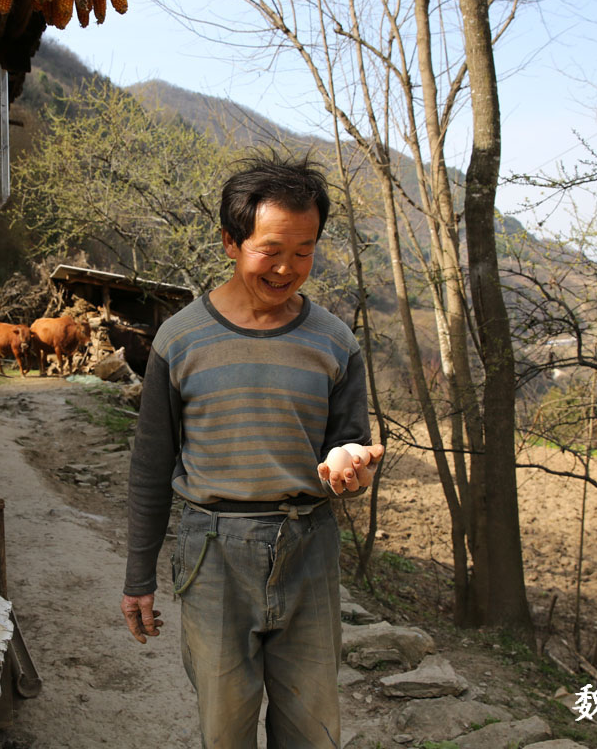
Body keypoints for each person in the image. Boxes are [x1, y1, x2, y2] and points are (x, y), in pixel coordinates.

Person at [120, 155, 384, 749]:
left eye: (305, 250)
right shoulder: (180, 339)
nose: (288, 267)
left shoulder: (334, 342)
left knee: (313, 730)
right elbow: (150, 466)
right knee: (226, 729)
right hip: (213, 549)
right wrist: (139, 576)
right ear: (231, 242)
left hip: (309, 545)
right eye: (271, 249)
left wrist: (352, 468)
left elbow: (349, 441)